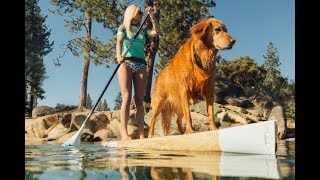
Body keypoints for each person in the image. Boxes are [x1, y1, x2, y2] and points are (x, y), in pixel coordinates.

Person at [116, 4, 160, 141]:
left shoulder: (143, 30)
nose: (141, 14)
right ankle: (124, 134)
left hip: (140, 64)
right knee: (127, 97)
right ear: (132, 13)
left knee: (140, 99)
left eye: (142, 13)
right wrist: (118, 56)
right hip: (126, 63)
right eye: (139, 12)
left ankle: (142, 134)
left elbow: (156, 32)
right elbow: (119, 42)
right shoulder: (123, 28)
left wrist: (151, 16)